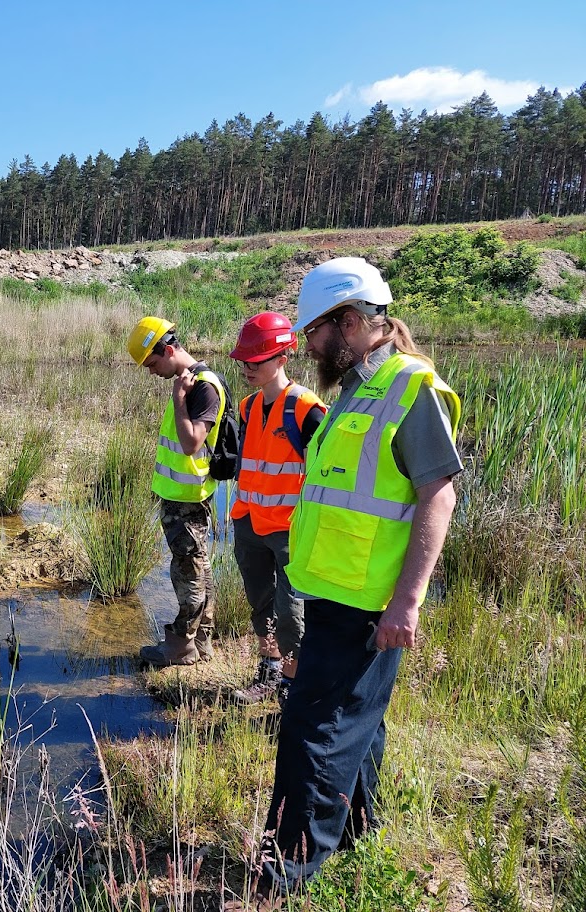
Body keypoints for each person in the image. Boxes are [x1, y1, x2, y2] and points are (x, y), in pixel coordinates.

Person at [258, 257, 462, 894]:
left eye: (315, 332)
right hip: (332, 592)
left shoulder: (410, 387)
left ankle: (285, 875)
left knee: (310, 735)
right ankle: (358, 839)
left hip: (368, 604)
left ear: (350, 323)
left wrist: (407, 601)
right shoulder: (355, 390)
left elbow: (439, 494)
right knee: (357, 722)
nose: (309, 345)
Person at [226, 312, 326, 707]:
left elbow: (326, 477)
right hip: (248, 523)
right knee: (261, 604)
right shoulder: (248, 407)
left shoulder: (306, 409)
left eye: (257, 359)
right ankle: (269, 672)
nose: (248, 367)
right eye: (244, 360)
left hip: (289, 531)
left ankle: (292, 690)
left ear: (283, 357)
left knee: (292, 615)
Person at [126, 316, 230, 666]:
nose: (152, 372)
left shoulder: (202, 387)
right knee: (198, 567)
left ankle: (181, 647)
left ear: (169, 349)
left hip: (188, 499)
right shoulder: (194, 383)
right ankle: (201, 643)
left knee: (188, 571)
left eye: (153, 363)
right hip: (182, 496)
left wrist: (179, 399)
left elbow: (191, 442)